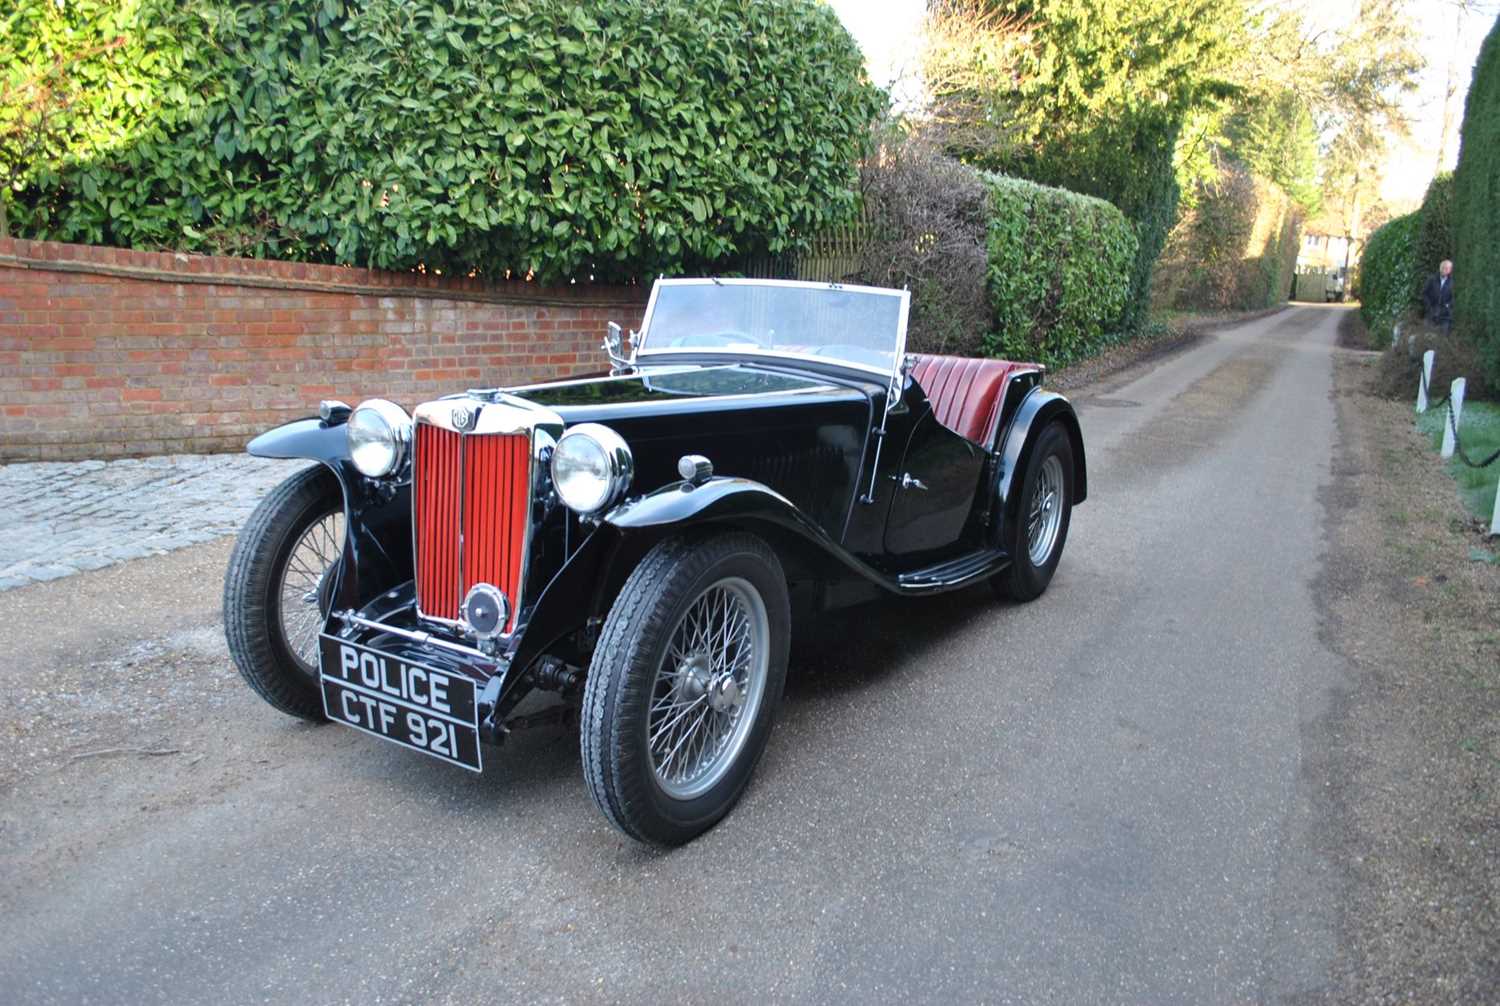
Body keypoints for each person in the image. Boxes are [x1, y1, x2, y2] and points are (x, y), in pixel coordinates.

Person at [1422, 260, 1455, 336]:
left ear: (1450, 270)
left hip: (1445, 316)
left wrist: (1448, 306)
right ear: (1440, 268)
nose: (1445, 270)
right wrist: (1428, 306)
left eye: (1447, 268)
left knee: (1442, 340)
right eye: (1443, 268)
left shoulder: (1452, 283)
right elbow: (1424, 294)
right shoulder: (1432, 279)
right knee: (1427, 337)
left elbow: (1453, 298)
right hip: (1431, 313)